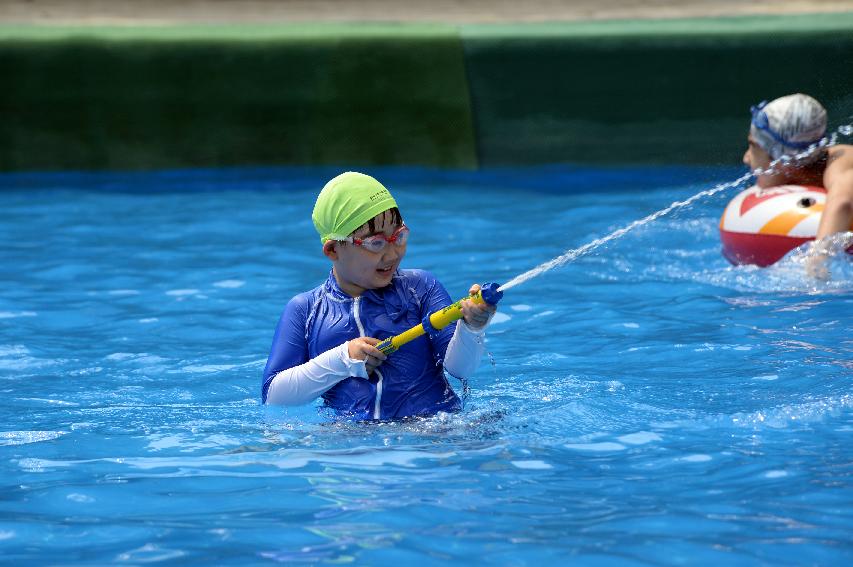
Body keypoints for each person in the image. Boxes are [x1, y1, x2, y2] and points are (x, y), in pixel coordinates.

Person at [262, 171, 497, 420]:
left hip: (433, 431)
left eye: (400, 237)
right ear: (333, 250)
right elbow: (274, 397)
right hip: (352, 443)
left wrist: (472, 329)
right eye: (376, 243)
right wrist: (343, 360)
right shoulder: (305, 311)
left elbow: (461, 369)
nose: (392, 254)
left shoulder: (421, 288)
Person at [742, 93, 853, 273]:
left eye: (753, 146)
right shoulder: (799, 178)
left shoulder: (840, 162)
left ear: (782, 158)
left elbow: (842, 204)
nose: (746, 158)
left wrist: (817, 262)